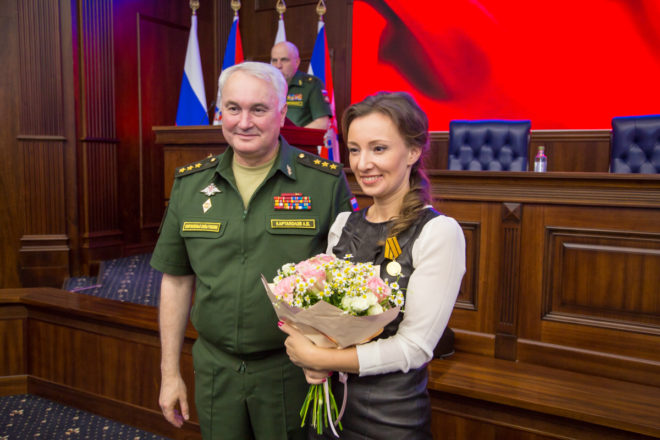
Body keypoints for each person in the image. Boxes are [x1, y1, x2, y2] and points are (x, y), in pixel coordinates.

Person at [150, 61, 354, 440]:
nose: (244, 122)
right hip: (215, 371)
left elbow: (347, 282)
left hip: (292, 371)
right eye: (233, 108)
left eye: (258, 109)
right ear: (220, 112)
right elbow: (176, 281)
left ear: (282, 113)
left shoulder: (323, 183)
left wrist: (327, 353)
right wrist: (169, 373)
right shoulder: (190, 184)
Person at [278, 92, 466, 439]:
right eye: (354, 149)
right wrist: (312, 353)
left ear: (413, 151)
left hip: (389, 419)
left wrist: (320, 359)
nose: (363, 163)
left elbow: (414, 348)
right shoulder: (344, 223)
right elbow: (323, 319)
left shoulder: (438, 232)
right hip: (327, 410)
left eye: (378, 148)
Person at [270, 41, 332, 129]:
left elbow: (322, 123)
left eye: (284, 60)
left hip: (298, 137)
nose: (278, 65)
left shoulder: (312, 84)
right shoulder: (267, 85)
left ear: (297, 62)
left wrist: (293, 135)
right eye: (274, 60)